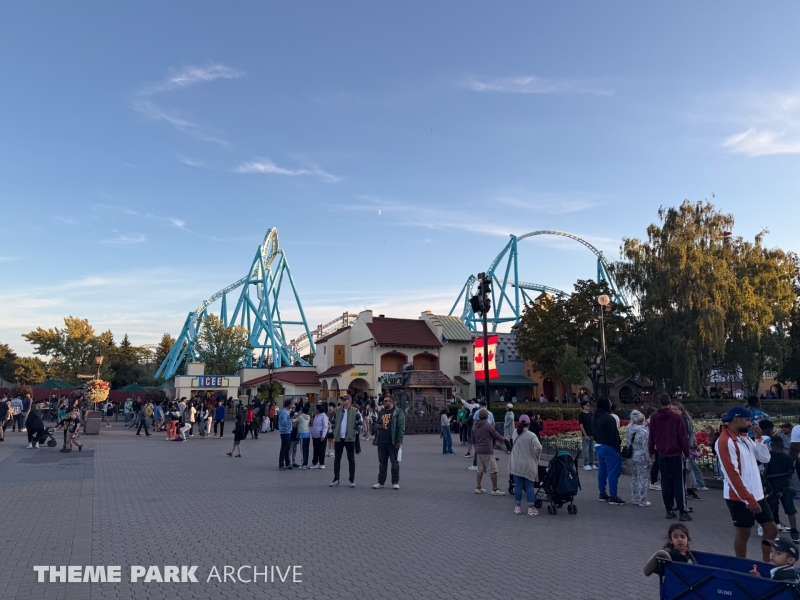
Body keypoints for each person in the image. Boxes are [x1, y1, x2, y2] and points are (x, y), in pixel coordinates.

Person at [716, 405, 776, 561]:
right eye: (747, 420)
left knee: (771, 529)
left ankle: (766, 562)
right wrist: (748, 499)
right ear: (736, 419)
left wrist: (759, 439)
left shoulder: (745, 437)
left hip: (757, 494)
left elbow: (765, 458)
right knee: (744, 532)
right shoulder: (725, 441)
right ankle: (741, 565)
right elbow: (731, 474)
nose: (751, 423)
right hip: (740, 497)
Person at [648, 394, 692, 520]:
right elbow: (683, 437)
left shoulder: (655, 418)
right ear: (670, 402)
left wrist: (651, 450)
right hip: (676, 454)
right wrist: (687, 453)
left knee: (665, 483)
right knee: (678, 482)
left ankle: (669, 509)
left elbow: (651, 436)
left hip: (662, 454)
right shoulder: (677, 418)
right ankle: (682, 511)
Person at [592, 398, 625, 505]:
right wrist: (617, 448)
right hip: (609, 446)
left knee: (602, 470)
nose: (611, 405)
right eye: (610, 403)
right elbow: (614, 434)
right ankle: (613, 496)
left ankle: (602, 493)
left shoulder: (594, 416)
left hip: (598, 445)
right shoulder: (609, 418)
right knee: (613, 472)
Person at [766, 436, 799, 542]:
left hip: (772, 486)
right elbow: (791, 470)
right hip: (785, 485)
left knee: (772, 509)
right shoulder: (787, 457)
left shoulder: (768, 457)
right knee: (790, 510)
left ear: (771, 445)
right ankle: (794, 532)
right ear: (783, 445)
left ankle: (774, 531)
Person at [510, 414, 542, 515]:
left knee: (518, 485)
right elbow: (539, 448)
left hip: (516, 464)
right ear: (529, 424)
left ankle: (517, 507)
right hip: (528, 464)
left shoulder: (515, 432)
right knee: (529, 486)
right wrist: (536, 456)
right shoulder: (531, 435)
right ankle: (531, 508)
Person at [471, 408, 507, 496]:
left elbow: (473, 439)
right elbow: (496, 435)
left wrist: (475, 446)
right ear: (487, 417)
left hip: (478, 451)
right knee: (493, 470)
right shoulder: (488, 425)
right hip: (487, 450)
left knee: (480, 470)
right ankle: (495, 489)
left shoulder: (474, 426)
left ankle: (478, 488)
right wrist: (505, 439)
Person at [372, 395, 405, 490]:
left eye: (386, 401)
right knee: (382, 463)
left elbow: (401, 428)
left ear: (391, 402)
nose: (384, 402)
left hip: (393, 441)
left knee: (394, 462)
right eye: (383, 401)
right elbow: (376, 424)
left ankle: (395, 482)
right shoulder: (382, 412)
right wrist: (378, 426)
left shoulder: (398, 412)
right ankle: (380, 482)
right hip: (382, 441)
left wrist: (399, 441)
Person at [330, 395, 363, 487]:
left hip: (349, 439)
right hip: (339, 439)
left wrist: (354, 433)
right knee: (337, 459)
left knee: (351, 459)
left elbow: (360, 423)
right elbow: (333, 422)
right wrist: (335, 431)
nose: (343, 401)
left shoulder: (355, 411)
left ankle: (351, 479)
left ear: (349, 401)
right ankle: (336, 479)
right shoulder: (338, 411)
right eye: (342, 399)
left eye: (344, 399)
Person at [626, 410, 651, 506]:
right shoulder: (644, 432)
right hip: (641, 456)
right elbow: (646, 448)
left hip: (631, 455)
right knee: (643, 478)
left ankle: (635, 498)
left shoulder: (629, 428)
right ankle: (642, 500)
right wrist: (650, 461)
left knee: (634, 477)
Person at [310, 403, 329, 469]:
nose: (315, 410)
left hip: (321, 435)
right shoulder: (316, 416)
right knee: (315, 450)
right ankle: (314, 462)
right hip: (315, 435)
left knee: (321, 450)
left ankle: (322, 463)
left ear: (319, 409)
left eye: (316, 409)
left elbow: (325, 426)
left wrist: (323, 435)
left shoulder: (324, 416)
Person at [579, 400, 596, 471]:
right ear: (583, 406)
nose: (588, 406)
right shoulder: (581, 415)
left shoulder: (591, 414)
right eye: (587, 405)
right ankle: (586, 464)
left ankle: (591, 463)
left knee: (592, 450)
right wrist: (585, 434)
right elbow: (581, 425)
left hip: (592, 434)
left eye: (589, 405)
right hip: (586, 434)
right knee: (585, 450)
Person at [278, 399, 293, 470]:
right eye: (291, 404)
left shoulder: (286, 411)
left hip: (287, 431)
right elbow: (284, 423)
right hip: (285, 432)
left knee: (287, 448)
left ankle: (287, 462)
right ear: (289, 405)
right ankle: (281, 464)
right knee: (284, 448)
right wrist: (291, 419)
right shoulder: (284, 412)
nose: (292, 406)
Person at [297, 404, 311, 469]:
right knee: (306, 449)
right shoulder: (308, 417)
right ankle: (306, 463)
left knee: (302, 449)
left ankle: (303, 464)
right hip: (308, 434)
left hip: (302, 434)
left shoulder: (300, 417)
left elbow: (294, 421)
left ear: (302, 411)